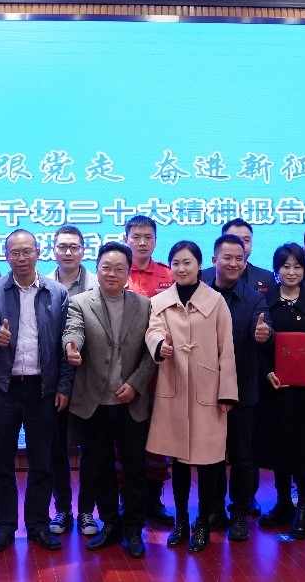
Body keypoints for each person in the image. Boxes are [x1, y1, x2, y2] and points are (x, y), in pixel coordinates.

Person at [0, 229, 74, 553]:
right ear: (6, 256)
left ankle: (38, 525)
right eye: (15, 253)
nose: (21, 258)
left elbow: (65, 344)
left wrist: (63, 386)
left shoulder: (57, 292)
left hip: (42, 389)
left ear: (37, 253)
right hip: (2, 388)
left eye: (27, 252)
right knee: (1, 463)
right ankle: (4, 526)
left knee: (42, 462)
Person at [63, 241, 153, 558]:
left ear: (129, 272)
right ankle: (111, 524)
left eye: (119, 268)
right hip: (95, 402)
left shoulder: (144, 305)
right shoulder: (80, 302)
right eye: (106, 267)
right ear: (97, 269)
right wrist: (71, 346)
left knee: (135, 469)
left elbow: (150, 354)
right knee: (100, 469)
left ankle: (134, 529)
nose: (111, 273)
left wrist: (136, 384)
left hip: (131, 403)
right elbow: (73, 331)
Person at [146, 240, 237, 553]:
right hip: (174, 389)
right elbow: (153, 331)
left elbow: (227, 350)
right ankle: (181, 522)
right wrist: (160, 345)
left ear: (199, 265)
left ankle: (203, 524)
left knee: (210, 464)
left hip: (208, 392)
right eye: (176, 263)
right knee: (179, 463)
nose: (181, 268)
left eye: (187, 262)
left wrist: (227, 392)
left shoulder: (216, 301)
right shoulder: (160, 301)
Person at [254, 242, 305, 541]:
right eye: (286, 266)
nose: (291, 272)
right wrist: (267, 371)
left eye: (297, 266)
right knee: (279, 448)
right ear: (276, 270)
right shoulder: (264, 302)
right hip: (276, 388)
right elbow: (257, 346)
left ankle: (302, 507)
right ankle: (282, 504)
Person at [203, 233, 265, 542]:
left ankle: (239, 509)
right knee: (211, 454)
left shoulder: (254, 298)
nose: (233, 264)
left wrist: (264, 334)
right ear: (214, 260)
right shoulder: (199, 291)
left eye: (239, 259)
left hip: (242, 388)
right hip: (205, 389)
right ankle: (213, 509)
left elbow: (262, 328)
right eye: (227, 258)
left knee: (242, 455)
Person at [45, 223, 99, 538]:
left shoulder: (97, 284)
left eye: (74, 247)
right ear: (53, 250)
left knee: (91, 447)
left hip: (92, 378)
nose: (68, 252)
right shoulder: (42, 284)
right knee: (57, 448)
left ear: (83, 251)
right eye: (62, 246)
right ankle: (63, 509)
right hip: (53, 380)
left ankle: (87, 511)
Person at [121, 215, 176, 526]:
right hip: (123, 370)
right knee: (124, 437)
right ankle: (125, 501)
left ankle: (154, 501)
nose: (142, 242)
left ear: (155, 241)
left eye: (148, 237)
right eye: (136, 236)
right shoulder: (116, 271)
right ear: (126, 239)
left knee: (158, 436)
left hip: (159, 370)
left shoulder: (168, 275)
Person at [202, 219, 275, 296]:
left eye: (246, 240)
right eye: (234, 240)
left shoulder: (267, 277)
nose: (241, 245)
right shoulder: (203, 277)